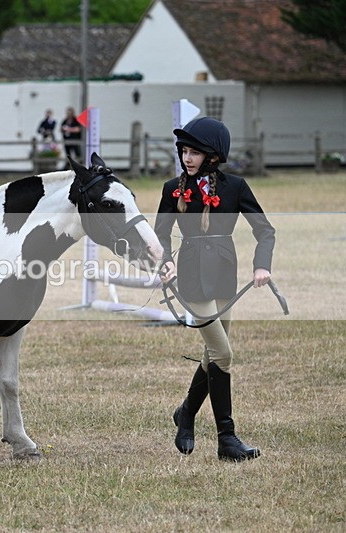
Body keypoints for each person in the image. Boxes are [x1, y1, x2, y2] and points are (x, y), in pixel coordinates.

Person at [155, 117, 275, 462]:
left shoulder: (235, 186)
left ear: (212, 156)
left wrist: (261, 265)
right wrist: (166, 260)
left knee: (212, 355)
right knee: (223, 354)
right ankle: (227, 438)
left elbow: (265, 230)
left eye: (194, 152)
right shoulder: (171, 189)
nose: (187, 157)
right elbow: (161, 233)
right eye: (184, 151)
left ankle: (186, 414)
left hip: (225, 274)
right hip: (192, 278)